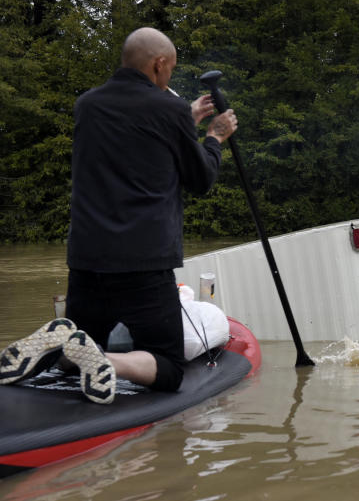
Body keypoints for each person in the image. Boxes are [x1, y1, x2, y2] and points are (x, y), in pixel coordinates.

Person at [0, 27, 237, 404]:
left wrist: (182, 118)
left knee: (78, 349)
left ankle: (62, 346)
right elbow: (201, 178)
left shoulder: (88, 105)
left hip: (87, 258)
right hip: (143, 263)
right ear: (159, 64)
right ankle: (107, 360)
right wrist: (214, 138)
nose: (170, 77)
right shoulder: (168, 109)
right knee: (169, 366)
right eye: (170, 70)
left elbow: (137, 144)